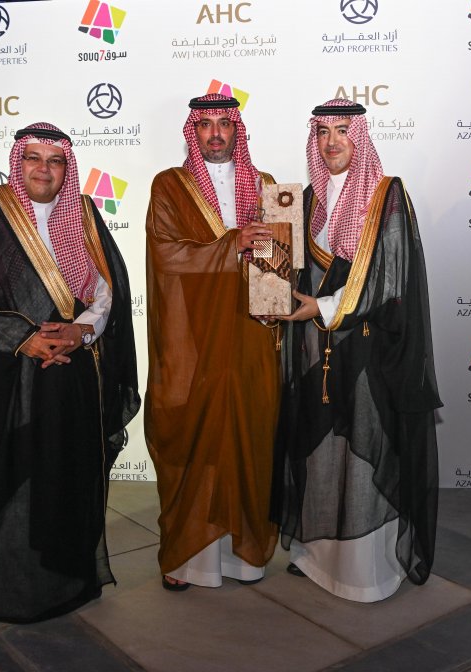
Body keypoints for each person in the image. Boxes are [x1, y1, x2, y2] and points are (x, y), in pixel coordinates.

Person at [0, 122, 140, 625]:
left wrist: (81, 332)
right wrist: (22, 336)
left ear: (67, 167)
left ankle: (64, 573)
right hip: (10, 371)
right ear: (17, 162)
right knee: (5, 477)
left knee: (66, 470)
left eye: (55, 160)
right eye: (34, 158)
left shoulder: (83, 213)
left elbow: (109, 287)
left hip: (72, 369)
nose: (44, 169)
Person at [271, 100, 442, 602]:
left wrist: (322, 307)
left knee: (364, 450)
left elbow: (388, 277)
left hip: (369, 350)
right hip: (313, 350)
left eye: (343, 131)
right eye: (322, 132)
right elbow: (284, 271)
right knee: (319, 450)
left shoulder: (386, 195)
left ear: (360, 136)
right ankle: (315, 555)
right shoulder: (303, 200)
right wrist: (264, 264)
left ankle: (365, 570)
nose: (332, 142)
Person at [145, 94, 280, 590]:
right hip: (192, 334)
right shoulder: (169, 185)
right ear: (193, 131)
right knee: (192, 434)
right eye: (206, 124)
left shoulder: (266, 185)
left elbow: (276, 264)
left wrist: (277, 288)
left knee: (249, 432)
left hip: (250, 334)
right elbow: (166, 255)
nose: (216, 133)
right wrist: (230, 245)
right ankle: (188, 557)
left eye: (225, 123)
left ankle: (245, 555)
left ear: (237, 130)